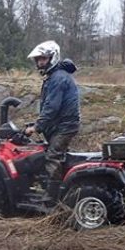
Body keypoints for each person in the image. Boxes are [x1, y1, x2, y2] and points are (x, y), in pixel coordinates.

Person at [24, 40, 80, 201]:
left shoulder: (58, 78)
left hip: (65, 126)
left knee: (53, 156)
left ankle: (52, 198)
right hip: (60, 124)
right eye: (38, 59)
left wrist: (37, 127)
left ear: (52, 58)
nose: (40, 62)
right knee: (49, 153)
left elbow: (51, 108)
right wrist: (36, 124)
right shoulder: (54, 76)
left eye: (43, 59)